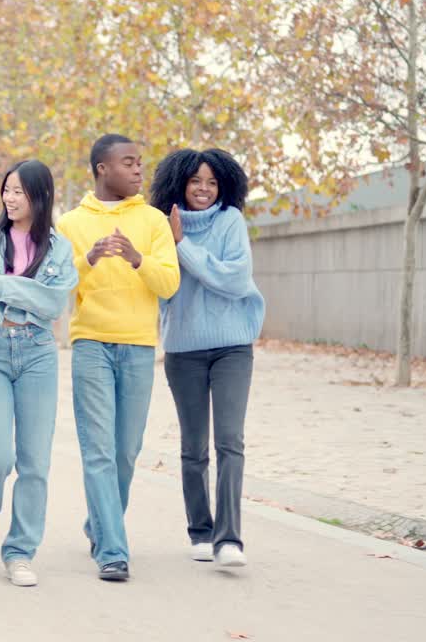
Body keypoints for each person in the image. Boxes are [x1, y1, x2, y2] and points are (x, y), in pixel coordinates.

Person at [56, 133, 180, 582]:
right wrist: (87, 259)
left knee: (126, 451)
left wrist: (136, 259)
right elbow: (59, 288)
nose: (138, 170)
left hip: (139, 347)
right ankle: (112, 548)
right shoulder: (70, 223)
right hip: (90, 343)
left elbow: (169, 284)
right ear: (102, 169)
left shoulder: (152, 221)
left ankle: (99, 523)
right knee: (98, 452)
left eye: (139, 163)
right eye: (128, 162)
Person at [0, 159, 78, 587]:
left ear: (40, 197)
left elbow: (54, 303)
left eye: (19, 192)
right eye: (6, 190)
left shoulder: (59, 248)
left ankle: (20, 551)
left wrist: (3, 286)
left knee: (35, 463)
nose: (9, 198)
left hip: (38, 353)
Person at [150, 148, 265, 568]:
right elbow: (162, 286)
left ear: (224, 186)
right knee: (194, 446)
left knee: (229, 441)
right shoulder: (161, 226)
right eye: (196, 181)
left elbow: (234, 279)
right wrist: (171, 243)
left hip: (233, 345)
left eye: (212, 182)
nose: (203, 189)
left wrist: (184, 247)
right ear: (179, 183)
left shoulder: (230, 221)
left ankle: (229, 538)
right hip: (183, 349)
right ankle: (200, 530)